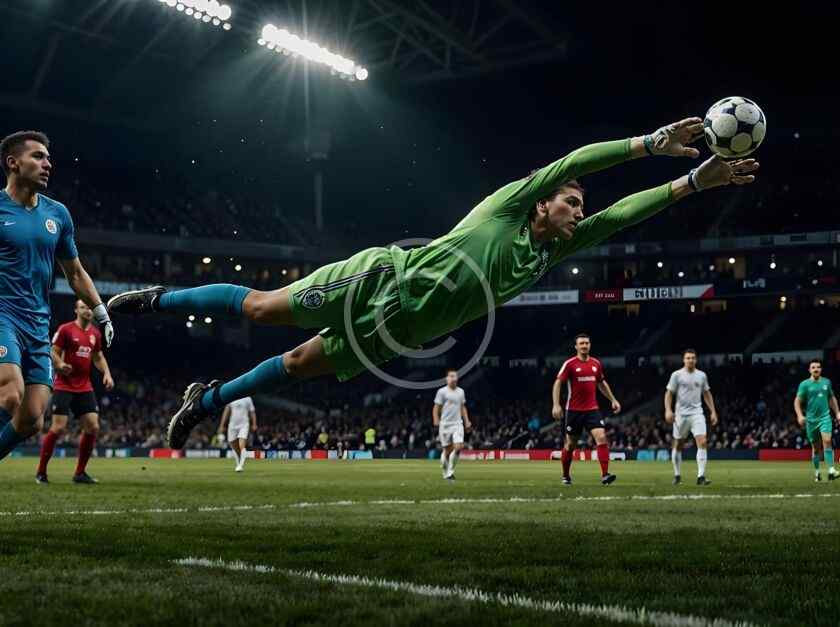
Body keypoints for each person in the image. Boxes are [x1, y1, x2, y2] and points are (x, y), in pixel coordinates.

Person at [106, 118, 758, 449]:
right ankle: (156, 299)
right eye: (572, 201)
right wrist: (649, 144)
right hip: (380, 280)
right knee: (262, 308)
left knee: (298, 365)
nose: (579, 210)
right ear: (543, 201)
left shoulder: (555, 250)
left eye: (581, 206)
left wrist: (692, 183)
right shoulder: (511, 205)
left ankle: (206, 400)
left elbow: (623, 214)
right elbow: (575, 160)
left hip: (400, 332)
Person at [0, 131, 114, 465]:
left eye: (48, 157)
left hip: (37, 323)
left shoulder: (58, 214)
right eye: (38, 156)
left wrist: (101, 311)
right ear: (13, 163)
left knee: (31, 419)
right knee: (10, 393)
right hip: (3, 315)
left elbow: (75, 273)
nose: (47, 164)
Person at [36, 300, 114, 484]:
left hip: (84, 386)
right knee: (58, 428)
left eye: (90, 308)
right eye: (83, 307)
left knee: (93, 427)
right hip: (63, 385)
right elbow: (53, 351)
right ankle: (41, 472)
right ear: (76, 310)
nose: (87, 310)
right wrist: (60, 364)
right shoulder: (66, 330)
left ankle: (80, 473)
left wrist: (107, 373)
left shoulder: (95, 333)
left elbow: (98, 357)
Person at [552, 334, 621, 485]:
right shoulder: (570, 364)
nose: (584, 345)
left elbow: (601, 383)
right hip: (574, 411)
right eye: (581, 343)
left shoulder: (596, 363)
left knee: (601, 437)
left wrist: (613, 399)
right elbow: (558, 383)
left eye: (587, 343)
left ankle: (605, 475)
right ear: (576, 346)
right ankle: (565, 475)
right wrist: (556, 405)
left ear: (590, 345)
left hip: (592, 410)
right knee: (570, 445)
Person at [664, 349, 718, 486]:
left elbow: (707, 394)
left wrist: (713, 411)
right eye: (688, 358)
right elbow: (669, 394)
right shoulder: (676, 375)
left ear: (696, 360)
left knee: (703, 442)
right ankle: (677, 475)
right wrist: (668, 410)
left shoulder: (701, 375)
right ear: (684, 360)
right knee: (678, 444)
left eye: (693, 358)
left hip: (697, 413)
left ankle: (701, 476)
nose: (690, 360)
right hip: (680, 415)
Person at [794, 359, 839, 482]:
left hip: (825, 417)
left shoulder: (826, 382)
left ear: (821, 369)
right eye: (813, 367)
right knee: (816, 448)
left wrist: (837, 413)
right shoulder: (804, 384)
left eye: (818, 367)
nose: (816, 369)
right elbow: (797, 401)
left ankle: (831, 470)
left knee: (827, 440)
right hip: (811, 420)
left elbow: (832, 398)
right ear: (809, 370)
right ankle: (817, 472)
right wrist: (799, 415)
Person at [433, 369, 471, 480]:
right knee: (447, 451)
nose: (453, 378)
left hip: (457, 424)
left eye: (455, 376)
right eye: (451, 376)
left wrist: (467, 421)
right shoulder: (442, 392)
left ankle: (450, 471)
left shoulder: (461, 392)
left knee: (458, 447)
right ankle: (445, 471)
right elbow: (436, 407)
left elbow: (462, 407)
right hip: (445, 425)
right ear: (447, 379)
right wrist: (436, 419)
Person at [218, 397, 257, 472]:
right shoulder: (231, 396)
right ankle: (239, 462)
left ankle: (240, 465)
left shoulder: (248, 398)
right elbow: (226, 412)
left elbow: (252, 412)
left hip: (244, 424)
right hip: (232, 425)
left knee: (242, 445)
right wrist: (222, 425)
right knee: (234, 445)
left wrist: (254, 424)